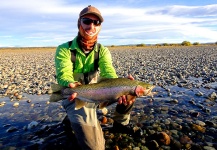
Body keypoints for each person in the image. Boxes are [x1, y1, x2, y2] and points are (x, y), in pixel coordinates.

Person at [55, 5, 138, 150]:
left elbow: (108, 73)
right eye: (87, 21)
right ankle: (72, 117)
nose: (91, 26)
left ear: (100, 27)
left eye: (96, 23)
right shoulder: (64, 49)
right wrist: (70, 84)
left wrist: (122, 84)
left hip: (99, 94)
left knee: (130, 91)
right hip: (75, 96)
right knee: (96, 148)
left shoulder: (102, 50)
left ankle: (120, 124)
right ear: (79, 23)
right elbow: (64, 74)